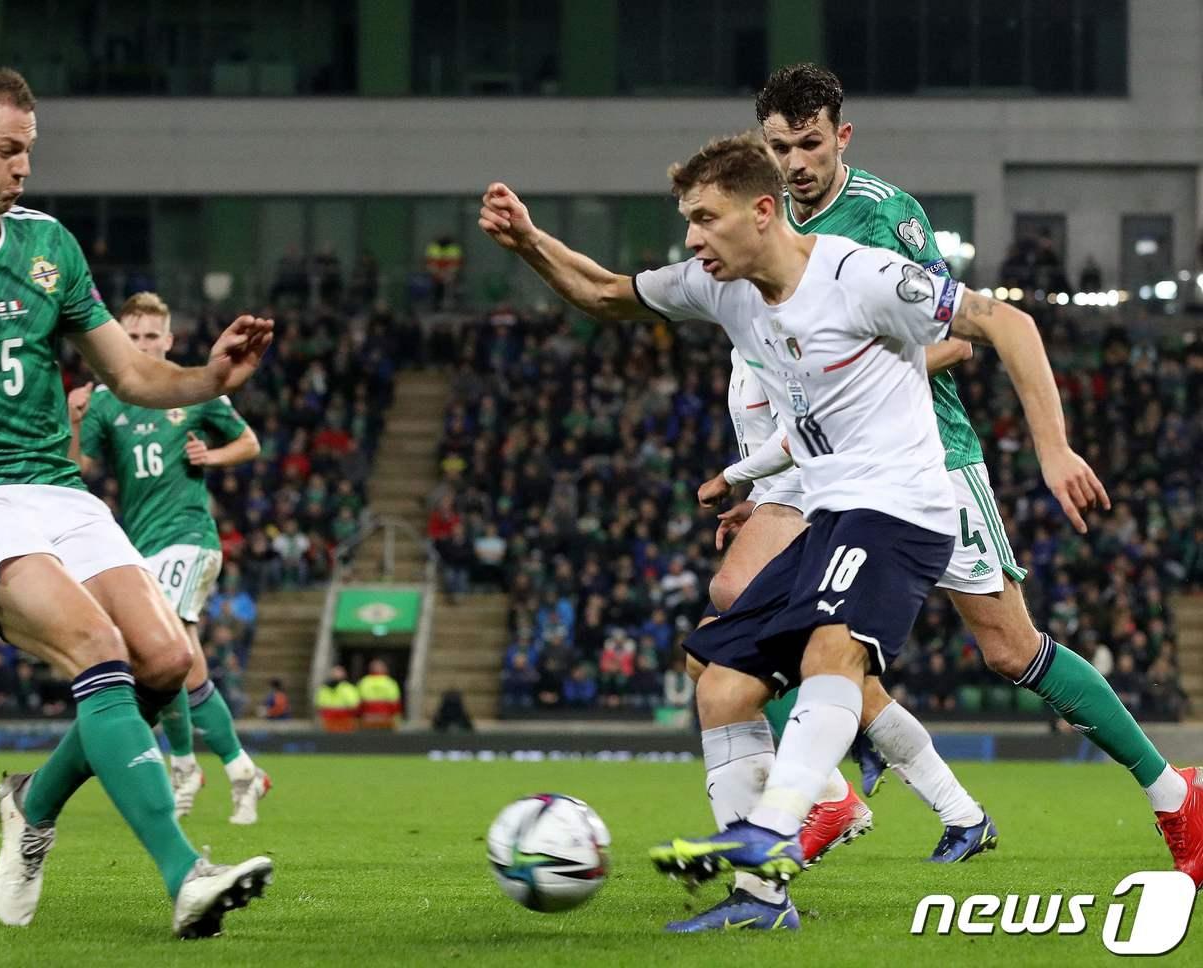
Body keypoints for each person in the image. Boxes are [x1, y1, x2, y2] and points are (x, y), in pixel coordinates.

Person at [477, 130, 1111, 932]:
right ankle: (760, 898)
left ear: (764, 211)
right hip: (823, 509)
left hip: (900, 506)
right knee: (718, 680)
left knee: (838, 650)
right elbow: (603, 294)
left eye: (705, 219)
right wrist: (531, 241)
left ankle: (774, 827)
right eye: (687, 223)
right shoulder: (721, 287)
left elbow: (1005, 324)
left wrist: (1053, 452)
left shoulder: (860, 274)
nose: (692, 239)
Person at [748, 62, 1198, 883]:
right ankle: (829, 794)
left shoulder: (884, 219)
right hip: (832, 469)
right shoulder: (764, 219)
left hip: (928, 461)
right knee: (757, 614)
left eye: (809, 144)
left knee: (1009, 649)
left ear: (841, 136)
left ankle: (1175, 796)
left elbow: (961, 335)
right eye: (779, 147)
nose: (794, 163)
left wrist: (1051, 447)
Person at [0, 66, 274, 937]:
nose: (23, 168)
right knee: (97, 643)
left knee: (169, 663)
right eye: (7, 150)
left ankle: (33, 803)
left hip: (58, 488)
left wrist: (210, 375)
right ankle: (185, 874)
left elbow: (128, 373)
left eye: (30, 151)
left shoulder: (50, 242)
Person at [68, 290, 272, 826]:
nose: (142, 345)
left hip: (189, 537)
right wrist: (72, 420)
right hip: (138, 547)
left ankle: (182, 765)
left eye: (151, 337)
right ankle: (239, 767)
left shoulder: (193, 389)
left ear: (169, 340)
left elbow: (249, 442)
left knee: (161, 650)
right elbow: (77, 471)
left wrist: (214, 454)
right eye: (132, 337)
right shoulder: (108, 400)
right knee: (186, 664)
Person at [357, 658, 403, 729]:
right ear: (385, 669)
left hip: (368, 719)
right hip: (386, 719)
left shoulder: (364, 682)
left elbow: (359, 704)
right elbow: (395, 705)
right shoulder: (390, 683)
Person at [314, 664, 360, 731]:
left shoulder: (349, 688)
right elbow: (318, 704)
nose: (336, 675)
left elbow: (354, 704)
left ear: (344, 675)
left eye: (339, 673)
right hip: (328, 719)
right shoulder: (324, 688)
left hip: (344, 718)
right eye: (334, 672)